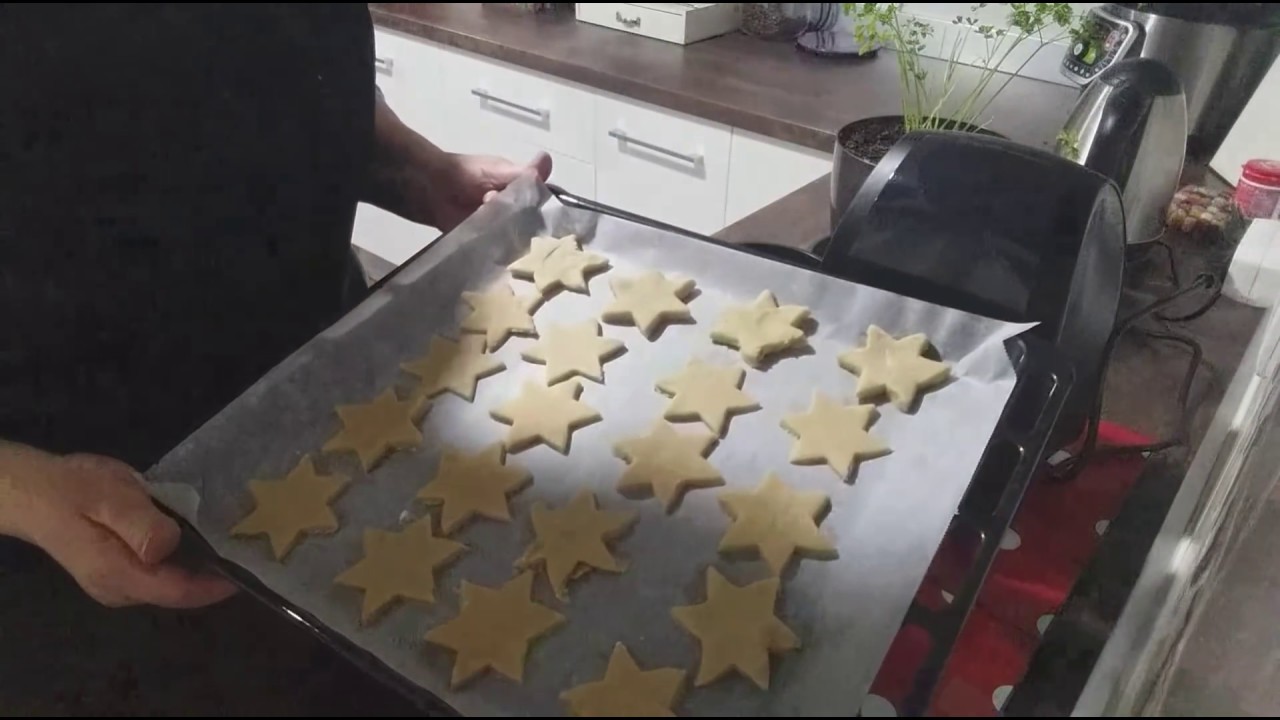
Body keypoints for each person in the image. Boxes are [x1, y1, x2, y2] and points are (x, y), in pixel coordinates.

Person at [0, 4, 550, 610]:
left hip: (346, 422)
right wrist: (25, 492)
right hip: (87, 536)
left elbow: (280, 74)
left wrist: (417, 167)